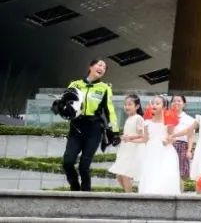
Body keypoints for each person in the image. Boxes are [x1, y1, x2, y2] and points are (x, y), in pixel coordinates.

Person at [53, 59, 120, 192]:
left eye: (104, 67)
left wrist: (115, 131)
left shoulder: (105, 88)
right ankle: (74, 184)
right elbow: (65, 101)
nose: (102, 68)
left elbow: (110, 110)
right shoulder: (75, 84)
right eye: (99, 65)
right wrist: (58, 105)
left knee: (84, 166)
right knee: (68, 162)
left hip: (94, 129)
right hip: (76, 127)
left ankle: (86, 193)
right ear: (91, 66)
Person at [138, 96, 181, 195]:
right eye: (153, 103)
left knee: (165, 173)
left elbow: (174, 137)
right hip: (151, 151)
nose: (154, 105)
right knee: (151, 173)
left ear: (164, 108)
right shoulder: (146, 123)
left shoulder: (168, 122)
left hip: (165, 151)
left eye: (157, 103)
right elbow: (145, 139)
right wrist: (130, 139)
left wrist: (168, 140)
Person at [108, 94, 145, 192]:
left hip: (133, 149)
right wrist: (123, 137)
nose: (126, 107)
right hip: (125, 149)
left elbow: (142, 136)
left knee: (124, 174)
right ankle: (129, 194)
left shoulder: (138, 118)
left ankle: (129, 196)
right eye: (125, 104)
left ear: (137, 106)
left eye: (129, 104)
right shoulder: (128, 118)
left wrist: (129, 138)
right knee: (119, 175)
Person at [169, 95, 195, 183]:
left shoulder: (190, 119)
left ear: (184, 104)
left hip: (182, 146)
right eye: (174, 101)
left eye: (179, 101)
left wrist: (189, 150)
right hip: (168, 146)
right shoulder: (166, 116)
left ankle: (180, 195)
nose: (176, 103)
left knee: (182, 174)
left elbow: (191, 136)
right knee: (169, 171)